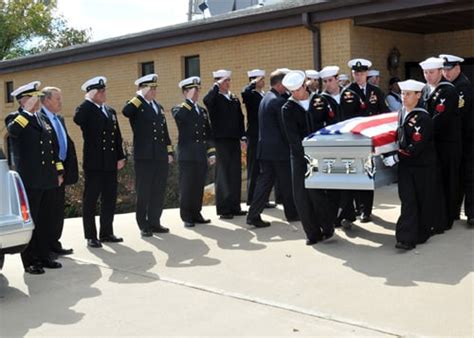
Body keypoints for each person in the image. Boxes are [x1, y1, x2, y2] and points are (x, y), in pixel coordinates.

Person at [5, 81, 63, 274]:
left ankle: (45, 256)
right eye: (33, 98)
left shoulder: (43, 119)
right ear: (23, 100)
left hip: (47, 178)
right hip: (30, 179)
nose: (37, 101)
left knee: (47, 219)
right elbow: (12, 133)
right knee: (33, 220)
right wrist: (26, 112)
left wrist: (59, 171)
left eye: (37, 98)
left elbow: (52, 148)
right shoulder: (15, 118)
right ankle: (30, 261)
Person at [281, 71, 335, 245]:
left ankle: (327, 227)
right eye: (292, 92)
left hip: (320, 154)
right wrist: (304, 155)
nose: (296, 94)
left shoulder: (320, 100)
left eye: (298, 90)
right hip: (299, 157)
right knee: (301, 196)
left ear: (304, 85)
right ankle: (312, 233)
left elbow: (331, 124)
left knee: (319, 193)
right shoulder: (287, 108)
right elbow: (292, 137)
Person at [382, 80, 437, 250]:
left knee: (421, 200)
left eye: (408, 94)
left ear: (418, 95)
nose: (403, 97)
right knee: (408, 201)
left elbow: (416, 146)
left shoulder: (423, 117)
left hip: (421, 166)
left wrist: (396, 157)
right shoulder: (401, 113)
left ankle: (422, 232)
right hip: (407, 166)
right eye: (402, 93)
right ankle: (406, 238)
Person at [74, 76, 126, 248]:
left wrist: (120, 156)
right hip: (95, 164)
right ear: (92, 93)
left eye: (104, 91)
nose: (104, 94)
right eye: (100, 91)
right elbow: (77, 119)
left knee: (109, 199)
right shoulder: (86, 110)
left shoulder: (109, 111)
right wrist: (88, 100)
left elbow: (116, 135)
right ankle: (91, 236)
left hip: (110, 162)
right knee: (90, 200)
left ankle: (106, 232)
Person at [122, 74, 173, 237]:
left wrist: (169, 151)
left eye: (154, 88)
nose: (153, 91)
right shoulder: (136, 105)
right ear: (142, 89)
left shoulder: (157, 106)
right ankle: (143, 224)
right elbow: (126, 111)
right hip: (144, 156)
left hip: (159, 155)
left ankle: (154, 221)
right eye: (150, 88)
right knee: (144, 191)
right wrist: (139, 96)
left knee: (158, 190)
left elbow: (164, 132)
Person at [246, 69, 298, 228]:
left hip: (266, 150)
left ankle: (253, 215)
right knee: (287, 183)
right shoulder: (278, 101)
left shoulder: (267, 98)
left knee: (265, 183)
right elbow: (284, 128)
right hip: (278, 151)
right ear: (281, 84)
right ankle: (292, 214)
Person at [340, 58, 390, 223]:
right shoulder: (347, 92)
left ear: (367, 74)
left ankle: (365, 210)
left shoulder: (376, 91)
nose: (359, 76)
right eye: (356, 73)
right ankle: (355, 208)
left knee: (368, 174)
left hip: (370, 140)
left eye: (361, 73)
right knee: (355, 175)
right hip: (354, 140)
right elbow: (345, 119)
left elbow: (384, 113)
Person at [420, 57, 462, 231]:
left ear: (440, 71)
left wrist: (422, 130)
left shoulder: (448, 91)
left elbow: (440, 119)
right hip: (433, 143)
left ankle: (449, 217)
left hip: (448, 143)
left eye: (431, 72)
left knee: (449, 179)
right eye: (425, 73)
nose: (428, 76)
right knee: (437, 181)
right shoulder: (425, 90)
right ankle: (439, 214)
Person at [39, 87, 78, 257]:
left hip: (62, 168)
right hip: (49, 170)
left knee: (57, 209)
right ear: (46, 100)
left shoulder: (59, 118)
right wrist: (57, 170)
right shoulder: (40, 118)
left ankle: (55, 243)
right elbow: (49, 148)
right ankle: (46, 247)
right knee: (47, 211)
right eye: (57, 99)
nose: (60, 102)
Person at [172, 76, 215, 228]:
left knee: (198, 186)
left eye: (197, 90)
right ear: (185, 92)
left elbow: (208, 133)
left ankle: (196, 213)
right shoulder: (180, 108)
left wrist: (211, 152)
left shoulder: (202, 111)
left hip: (200, 154)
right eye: (193, 90)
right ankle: (187, 216)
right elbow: (179, 118)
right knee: (187, 186)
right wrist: (189, 101)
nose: (196, 93)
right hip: (187, 155)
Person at [203, 69, 247, 219]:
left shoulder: (233, 98)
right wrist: (216, 86)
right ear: (218, 82)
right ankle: (224, 209)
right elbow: (207, 101)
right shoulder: (214, 98)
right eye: (225, 81)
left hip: (234, 140)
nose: (228, 83)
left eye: (228, 80)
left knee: (235, 173)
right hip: (220, 141)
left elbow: (240, 118)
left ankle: (235, 206)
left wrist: (243, 137)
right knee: (223, 175)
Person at [440, 54, 473, 226]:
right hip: (454, 140)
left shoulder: (462, 86)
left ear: (458, 68)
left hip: (466, 139)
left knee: (468, 176)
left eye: (449, 69)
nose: (446, 72)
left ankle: (472, 214)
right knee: (455, 177)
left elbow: (459, 112)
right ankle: (453, 212)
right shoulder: (447, 86)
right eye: (444, 69)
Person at [241, 69, 269, 206]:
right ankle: (251, 199)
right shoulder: (251, 94)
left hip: (265, 136)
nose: (263, 82)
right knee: (254, 168)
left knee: (264, 169)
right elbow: (244, 93)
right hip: (254, 135)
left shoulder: (264, 94)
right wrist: (252, 83)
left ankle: (263, 199)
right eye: (261, 79)